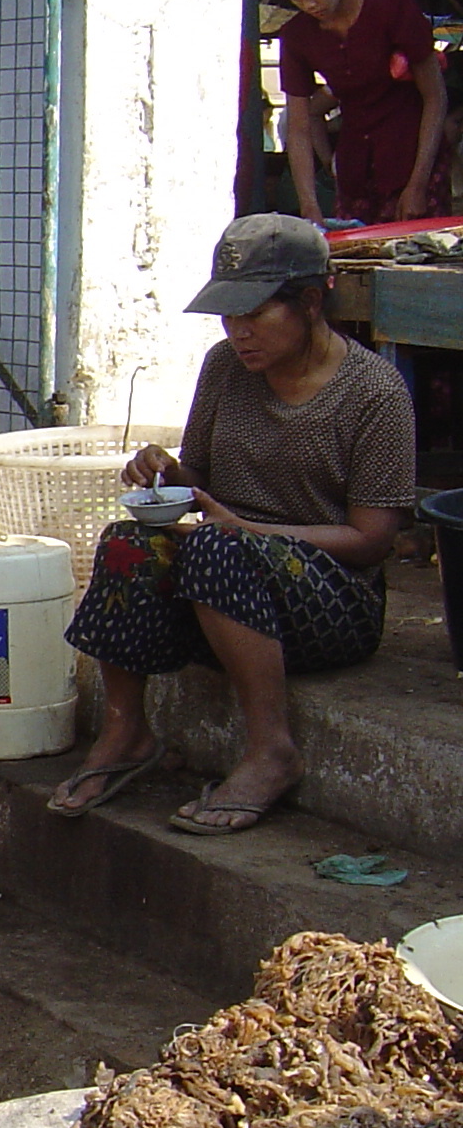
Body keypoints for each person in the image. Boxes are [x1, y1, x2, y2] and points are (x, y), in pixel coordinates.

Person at [52, 214, 414, 835]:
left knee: (219, 547)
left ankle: (272, 749)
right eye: (229, 316)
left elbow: (372, 540)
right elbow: (203, 482)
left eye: (255, 315)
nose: (239, 332)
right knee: (126, 543)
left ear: (308, 300)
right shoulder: (225, 367)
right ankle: (126, 730)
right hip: (222, 579)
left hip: (332, 601)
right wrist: (165, 472)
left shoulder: (374, 392)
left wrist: (246, 532)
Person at [273, 0, 451, 225]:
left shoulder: (393, 6)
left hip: (415, 160)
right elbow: (299, 127)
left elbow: (435, 96)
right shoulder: (296, 36)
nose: (309, 5)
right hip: (354, 171)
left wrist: (418, 185)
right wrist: (310, 207)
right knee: (353, 262)